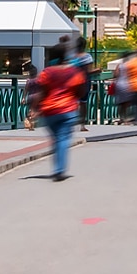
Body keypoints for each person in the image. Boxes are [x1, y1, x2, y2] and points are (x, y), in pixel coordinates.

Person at [29, 44, 88, 181]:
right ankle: (59, 170)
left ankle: (57, 167)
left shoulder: (47, 72)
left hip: (49, 111)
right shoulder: (74, 71)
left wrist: (34, 108)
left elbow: (41, 92)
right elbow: (81, 90)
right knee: (63, 138)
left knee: (57, 138)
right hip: (68, 110)